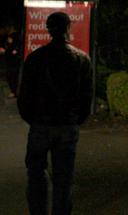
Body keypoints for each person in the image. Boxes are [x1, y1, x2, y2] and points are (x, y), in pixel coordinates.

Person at [17, 12, 92, 215]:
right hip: (67, 126)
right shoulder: (82, 60)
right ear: (68, 28)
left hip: (40, 125)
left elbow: (24, 97)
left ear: (48, 29)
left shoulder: (35, 58)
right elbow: (87, 99)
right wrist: (75, 120)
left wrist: (33, 119)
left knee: (36, 175)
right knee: (63, 178)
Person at [4, 33, 21, 97]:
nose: (8, 39)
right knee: (9, 77)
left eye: (10, 38)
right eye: (8, 38)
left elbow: (13, 53)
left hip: (14, 65)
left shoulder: (16, 45)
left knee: (13, 78)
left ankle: (14, 92)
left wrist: (5, 51)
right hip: (9, 65)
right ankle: (13, 91)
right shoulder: (8, 44)